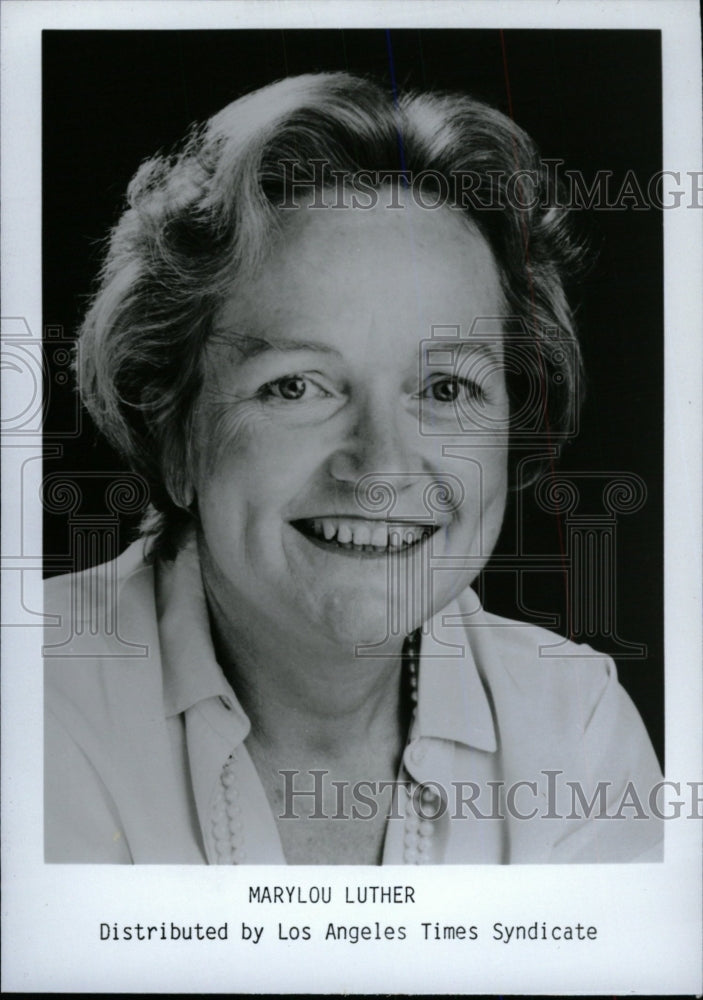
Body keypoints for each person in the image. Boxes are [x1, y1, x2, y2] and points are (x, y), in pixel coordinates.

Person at [44, 72, 663, 864]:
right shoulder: (29, 706)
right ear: (174, 435)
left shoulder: (572, 729)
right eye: (295, 385)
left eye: (445, 387)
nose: (379, 467)